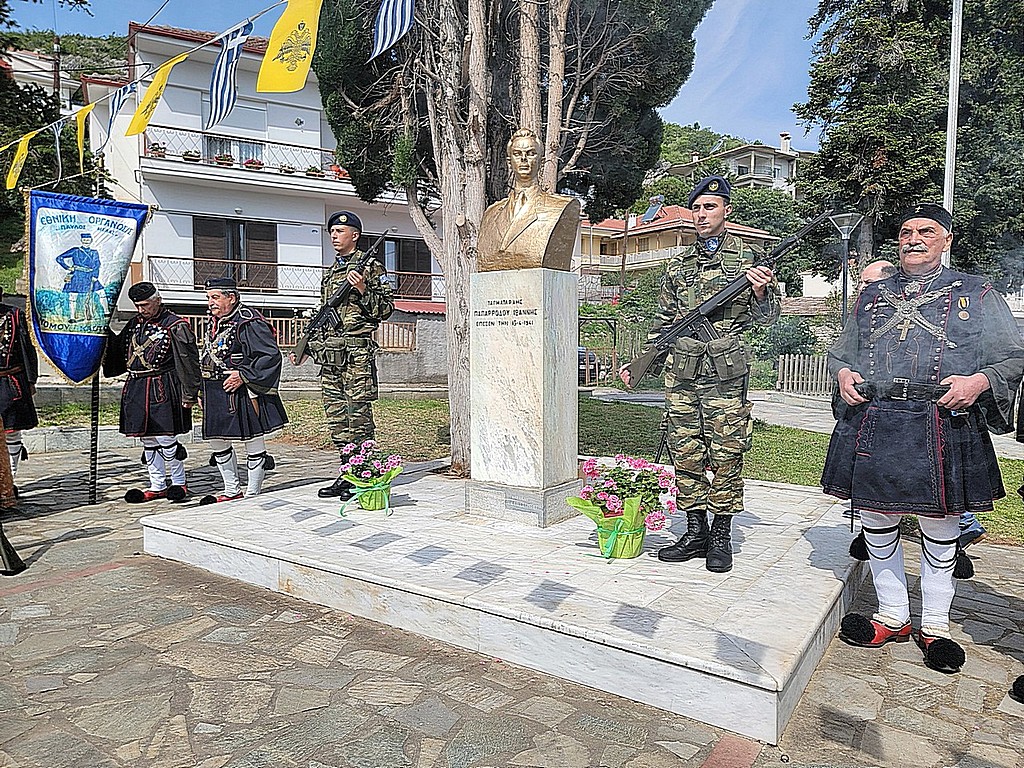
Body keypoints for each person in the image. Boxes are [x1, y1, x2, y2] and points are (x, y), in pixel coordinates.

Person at [822, 203, 1024, 674]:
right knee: (877, 516)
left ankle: (935, 627)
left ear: (947, 239)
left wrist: (980, 382)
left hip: (942, 420)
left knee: (940, 525)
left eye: (926, 232)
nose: (913, 238)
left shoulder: (978, 292)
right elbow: (841, 352)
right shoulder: (872, 296)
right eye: (906, 232)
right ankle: (892, 616)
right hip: (877, 418)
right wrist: (843, 371)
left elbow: (1013, 357)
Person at [620, 175, 779, 573]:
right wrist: (642, 363)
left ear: (726, 209)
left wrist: (762, 293)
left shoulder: (750, 261)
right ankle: (695, 530)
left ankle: (721, 534)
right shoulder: (678, 264)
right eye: (697, 207)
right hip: (682, 373)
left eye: (710, 206)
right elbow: (665, 322)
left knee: (726, 453)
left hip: (725, 374)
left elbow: (770, 318)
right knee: (685, 451)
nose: (702, 214)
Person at [290, 211, 394, 499]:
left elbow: (384, 310)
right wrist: (306, 348)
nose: (334, 236)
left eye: (339, 231)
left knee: (357, 418)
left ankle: (366, 477)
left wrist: (362, 289)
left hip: (356, 356)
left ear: (355, 235)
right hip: (330, 357)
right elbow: (325, 318)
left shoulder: (371, 268)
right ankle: (347, 473)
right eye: (332, 231)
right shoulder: (331, 274)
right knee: (337, 420)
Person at [103, 282, 201, 502]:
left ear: (158, 300)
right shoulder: (135, 323)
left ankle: (178, 482)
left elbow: (188, 360)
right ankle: (157, 484)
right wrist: (103, 331)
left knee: (166, 437)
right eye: (138, 306)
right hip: (137, 387)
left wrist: (190, 393)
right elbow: (119, 348)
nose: (141, 310)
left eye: (145, 305)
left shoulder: (175, 325)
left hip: (162, 386)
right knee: (147, 439)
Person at [200, 277, 289, 504]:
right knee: (217, 441)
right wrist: (200, 392)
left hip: (242, 390)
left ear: (231, 297)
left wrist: (243, 375)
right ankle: (232, 489)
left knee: (253, 439)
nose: (210, 303)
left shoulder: (249, 321)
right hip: (215, 389)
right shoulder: (215, 321)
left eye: (215, 297)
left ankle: (253, 492)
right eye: (209, 298)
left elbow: (270, 355)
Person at [476, 128, 582, 272]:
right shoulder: (491, 213)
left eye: (531, 153)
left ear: (541, 162)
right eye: (517, 154)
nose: (524, 159)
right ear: (509, 161)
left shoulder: (560, 208)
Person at [0, 287, 39, 492]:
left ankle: (10, 482)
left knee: (12, 432)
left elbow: (26, 348)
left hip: (10, 381)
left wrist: (31, 379)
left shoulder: (14, 315)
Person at [56, 232, 108, 323]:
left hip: (89, 275)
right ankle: (72, 317)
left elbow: (97, 264)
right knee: (73, 296)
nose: (86, 241)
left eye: (88, 240)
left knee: (101, 292)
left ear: (91, 240)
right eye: (84, 240)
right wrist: (67, 267)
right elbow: (59, 258)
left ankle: (106, 312)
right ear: (81, 240)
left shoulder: (94, 252)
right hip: (77, 275)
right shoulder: (75, 250)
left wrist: (95, 276)